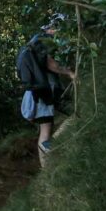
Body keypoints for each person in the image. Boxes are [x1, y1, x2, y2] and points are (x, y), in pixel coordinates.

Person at [19, 14, 75, 167]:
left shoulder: (33, 43)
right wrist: (69, 73)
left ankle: (46, 168)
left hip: (38, 93)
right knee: (71, 117)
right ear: (52, 28)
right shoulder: (43, 42)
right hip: (44, 93)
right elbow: (51, 65)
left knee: (45, 130)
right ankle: (50, 149)